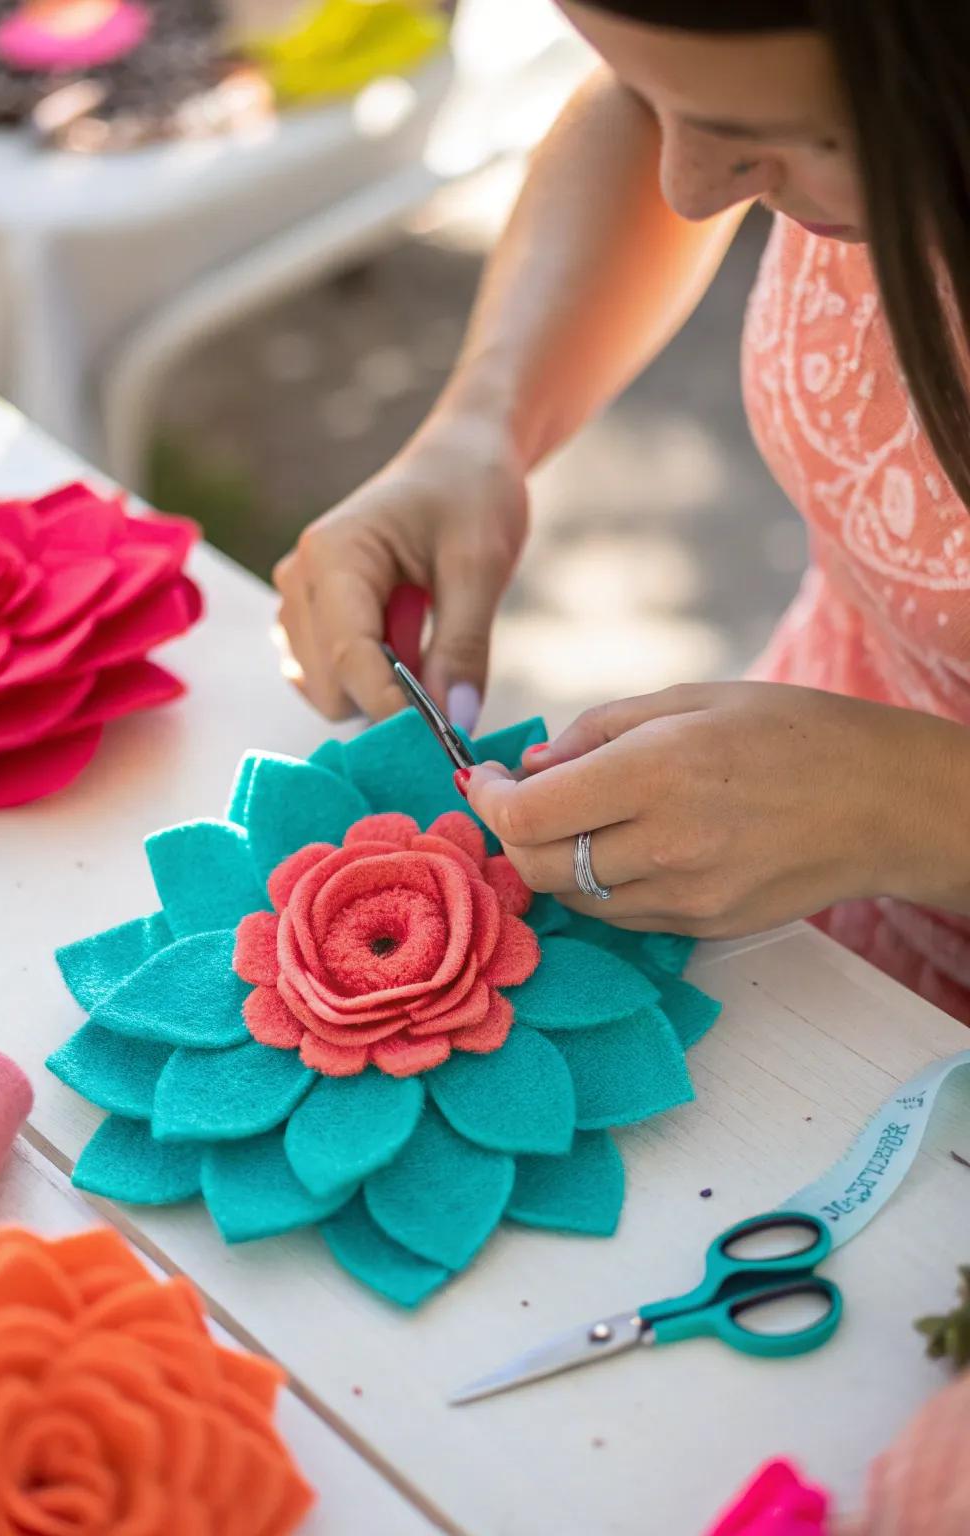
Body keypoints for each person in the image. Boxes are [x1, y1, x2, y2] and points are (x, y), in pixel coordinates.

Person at [275, 7, 970, 1521]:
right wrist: (481, 424)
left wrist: (915, 805)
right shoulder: (783, 82)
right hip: (803, 903)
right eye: (665, 99)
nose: (688, 188)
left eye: (784, 150)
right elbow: (666, 102)